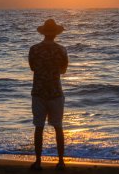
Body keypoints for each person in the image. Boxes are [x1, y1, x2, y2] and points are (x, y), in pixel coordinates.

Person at [28, 19, 68, 171]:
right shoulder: (61, 50)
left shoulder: (34, 49)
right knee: (58, 127)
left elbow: (32, 68)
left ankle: (38, 162)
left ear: (43, 33)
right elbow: (63, 71)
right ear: (56, 34)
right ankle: (61, 161)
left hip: (38, 92)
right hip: (55, 92)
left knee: (39, 127)